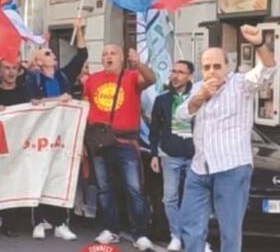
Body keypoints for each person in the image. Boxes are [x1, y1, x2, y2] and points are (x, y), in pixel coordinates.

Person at [177, 25, 275, 252]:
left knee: (229, 231)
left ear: (228, 67)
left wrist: (260, 44)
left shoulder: (241, 84)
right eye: (207, 67)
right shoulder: (199, 87)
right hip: (200, 167)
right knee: (190, 225)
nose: (212, 71)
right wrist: (200, 97)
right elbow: (181, 113)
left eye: (217, 66)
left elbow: (268, 71)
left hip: (231, 167)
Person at [84, 44, 157, 250]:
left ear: (122, 58)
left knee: (134, 189)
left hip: (125, 142)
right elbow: (85, 106)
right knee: (105, 189)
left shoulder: (132, 76)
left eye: (113, 53)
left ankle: (140, 233)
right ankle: (111, 229)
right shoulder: (92, 80)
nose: (108, 57)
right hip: (99, 142)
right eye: (105, 54)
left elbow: (152, 79)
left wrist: (139, 64)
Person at [22, 17, 87, 241]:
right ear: (39, 61)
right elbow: (33, 102)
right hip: (41, 136)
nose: (54, 56)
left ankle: (60, 222)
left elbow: (81, 57)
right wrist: (60, 99)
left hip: (62, 135)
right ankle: (40, 221)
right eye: (48, 54)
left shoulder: (62, 76)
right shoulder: (32, 79)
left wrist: (79, 31)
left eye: (52, 53)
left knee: (60, 175)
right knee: (40, 174)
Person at [0, 57, 42, 238]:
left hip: (19, 145)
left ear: (18, 72)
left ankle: (10, 223)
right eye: (7, 68)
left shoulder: (25, 91)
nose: (10, 72)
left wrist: (36, 105)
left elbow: (38, 110)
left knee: (13, 182)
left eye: (14, 68)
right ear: (0, 71)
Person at [148, 60, 196, 251]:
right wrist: (154, 154)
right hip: (170, 154)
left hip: (195, 155)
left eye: (181, 72)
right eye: (173, 71)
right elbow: (154, 130)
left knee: (195, 198)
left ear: (190, 76)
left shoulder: (198, 96)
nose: (175, 76)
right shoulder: (162, 100)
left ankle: (194, 235)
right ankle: (175, 235)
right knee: (169, 198)